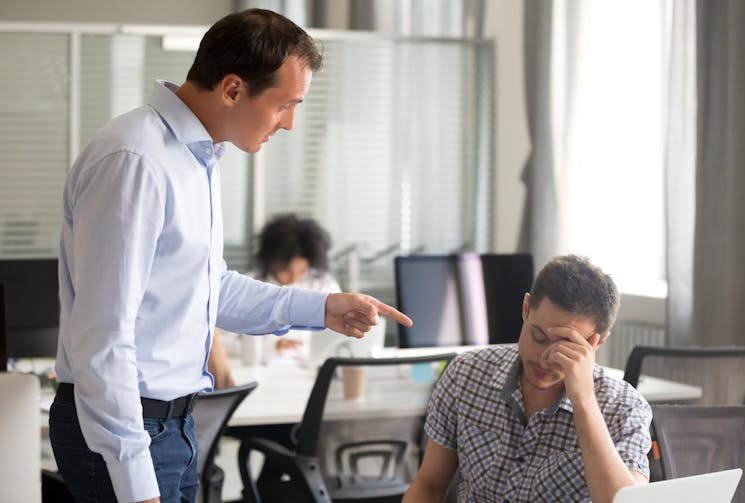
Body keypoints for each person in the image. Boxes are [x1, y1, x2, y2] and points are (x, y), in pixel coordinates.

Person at [49, 9, 412, 503]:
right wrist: (135, 483)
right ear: (233, 89)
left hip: (173, 425)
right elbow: (104, 339)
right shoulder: (136, 161)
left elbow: (209, 288)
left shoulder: (197, 157)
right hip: (127, 431)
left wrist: (322, 308)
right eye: (285, 105)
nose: (289, 124)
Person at [403, 255, 651, 503]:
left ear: (596, 342)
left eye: (565, 348)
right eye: (538, 336)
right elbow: (429, 485)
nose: (544, 359)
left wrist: (584, 401)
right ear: (525, 309)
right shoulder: (466, 374)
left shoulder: (624, 408)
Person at [208, 213, 341, 384]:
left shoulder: (323, 284)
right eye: (286, 271)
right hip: (263, 374)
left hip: (311, 373)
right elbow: (222, 340)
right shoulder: (247, 286)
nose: (293, 279)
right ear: (271, 261)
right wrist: (269, 348)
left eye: (301, 272)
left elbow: (335, 341)